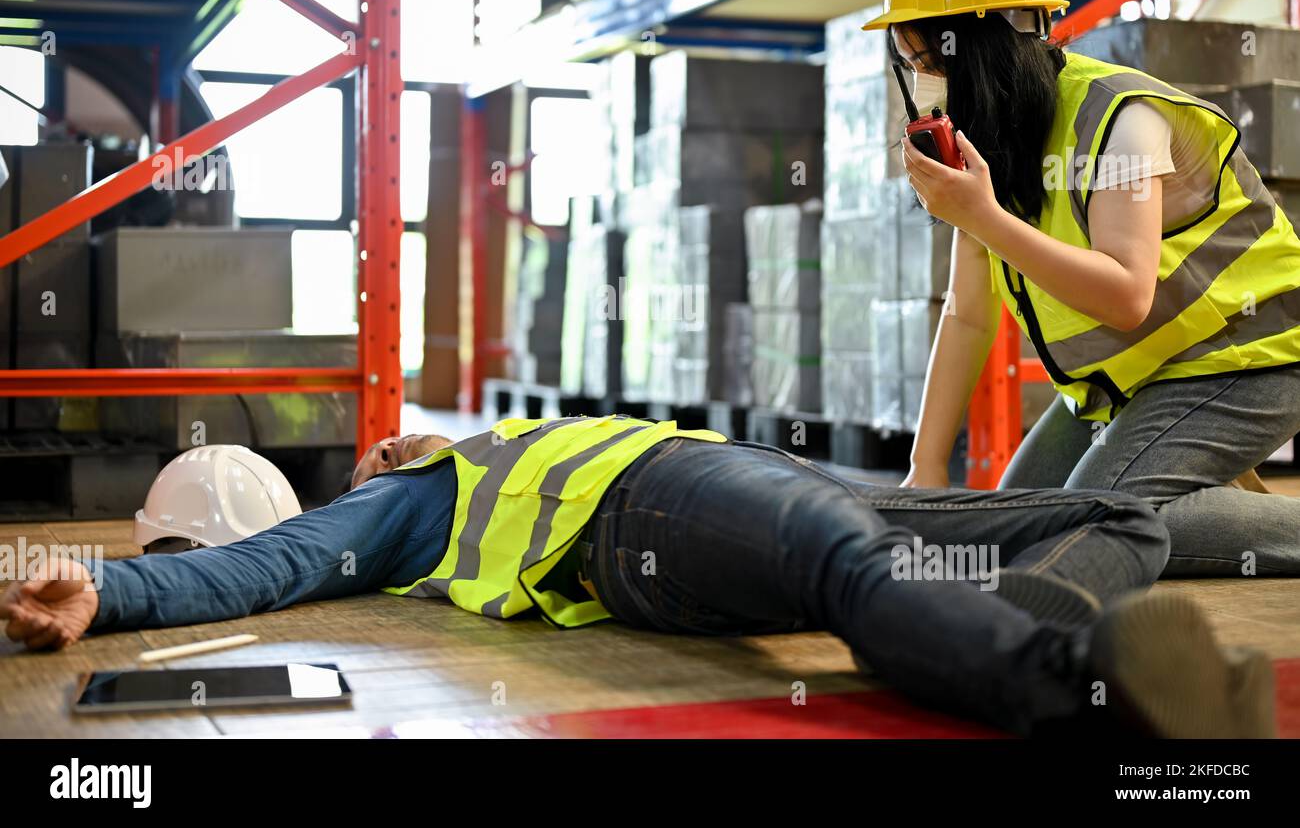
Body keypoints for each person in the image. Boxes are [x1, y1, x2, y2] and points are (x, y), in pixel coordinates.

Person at [0, 415, 1275, 737]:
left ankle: (1028, 604)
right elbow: (265, 570)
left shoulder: (451, 451)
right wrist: (116, 595)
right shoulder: (391, 503)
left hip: (742, 472)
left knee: (1107, 509)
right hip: (650, 515)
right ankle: (1068, 685)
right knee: (846, 569)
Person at [869, 0, 1300, 575]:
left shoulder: (1121, 116)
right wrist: (924, 464)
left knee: (1094, 525)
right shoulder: (1000, 141)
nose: (920, 81)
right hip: (1135, 378)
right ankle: (1167, 483)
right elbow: (967, 312)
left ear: (973, 46)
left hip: (1252, 357)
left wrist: (980, 214)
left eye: (925, 55)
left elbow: (1127, 294)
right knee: (1021, 528)